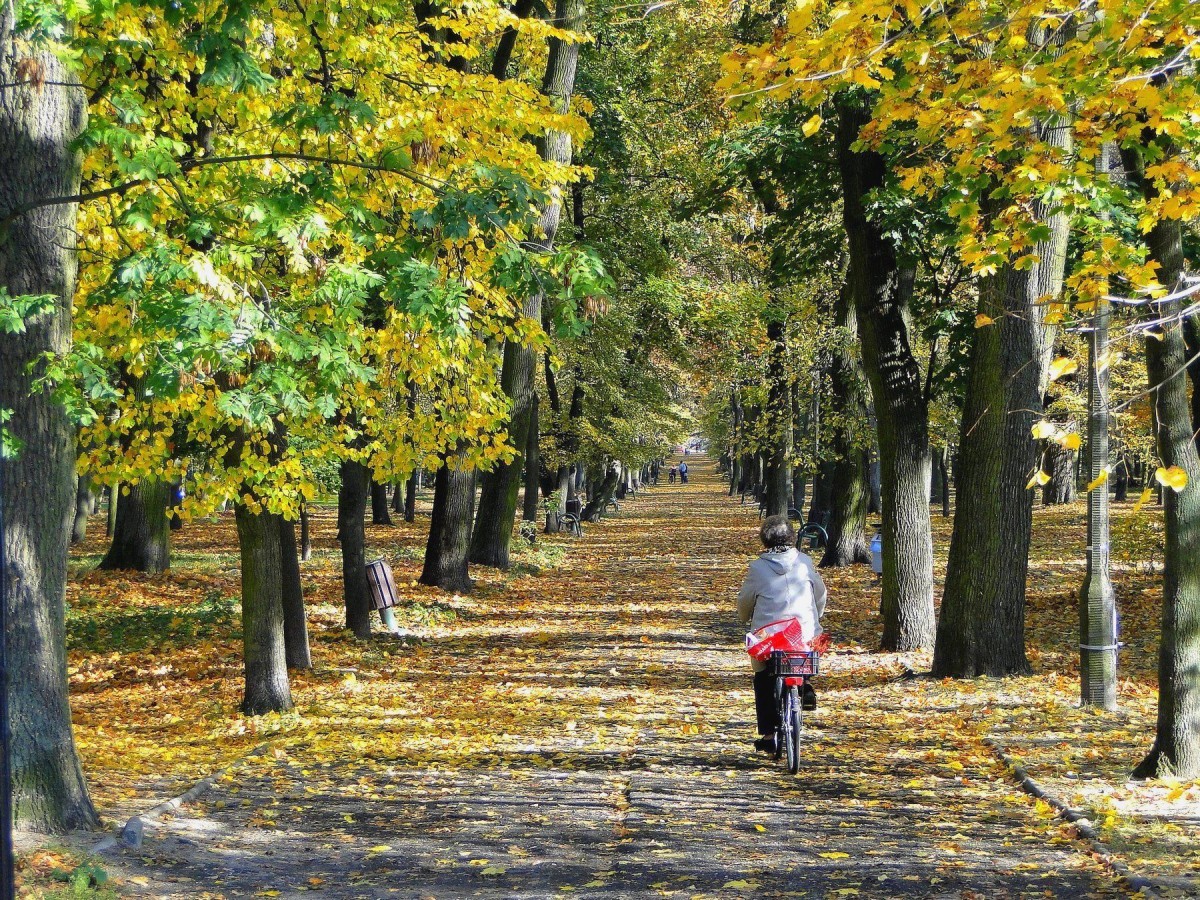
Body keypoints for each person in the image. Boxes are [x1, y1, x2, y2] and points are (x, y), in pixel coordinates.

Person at [737, 515, 827, 753]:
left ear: (765, 540)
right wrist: (816, 617)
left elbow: (745, 602)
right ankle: (805, 685)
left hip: (770, 639)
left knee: (762, 676)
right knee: (802, 655)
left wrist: (744, 617)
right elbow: (820, 595)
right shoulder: (805, 561)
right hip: (804, 633)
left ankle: (768, 735)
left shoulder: (757, 568)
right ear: (792, 537)